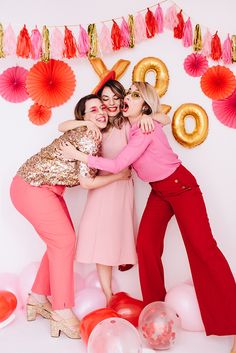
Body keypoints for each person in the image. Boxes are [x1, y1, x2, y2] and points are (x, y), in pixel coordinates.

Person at [59, 82, 236, 351]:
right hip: (160, 191)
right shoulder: (133, 125)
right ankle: (156, 315)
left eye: (134, 96)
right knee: (147, 247)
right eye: (127, 94)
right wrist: (147, 115)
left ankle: (233, 321)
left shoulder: (144, 128)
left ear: (144, 105)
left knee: (203, 250)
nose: (126, 98)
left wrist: (79, 155)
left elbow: (119, 164)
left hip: (181, 187)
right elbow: (158, 116)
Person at [10, 94, 131, 339]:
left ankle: (38, 297)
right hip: (32, 187)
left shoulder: (92, 134)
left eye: (101, 108)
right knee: (64, 242)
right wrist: (119, 177)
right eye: (92, 109)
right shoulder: (88, 136)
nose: (100, 112)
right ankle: (62, 311)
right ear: (83, 117)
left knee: (61, 242)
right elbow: (86, 182)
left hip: (44, 188)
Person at [58, 78, 170, 303]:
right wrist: (86, 124)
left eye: (115, 98)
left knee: (117, 238)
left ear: (122, 100)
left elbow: (165, 118)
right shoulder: (97, 125)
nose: (110, 103)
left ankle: (121, 291)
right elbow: (62, 126)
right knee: (102, 242)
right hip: (102, 189)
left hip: (122, 188)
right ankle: (108, 294)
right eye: (105, 99)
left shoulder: (130, 122)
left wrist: (149, 116)